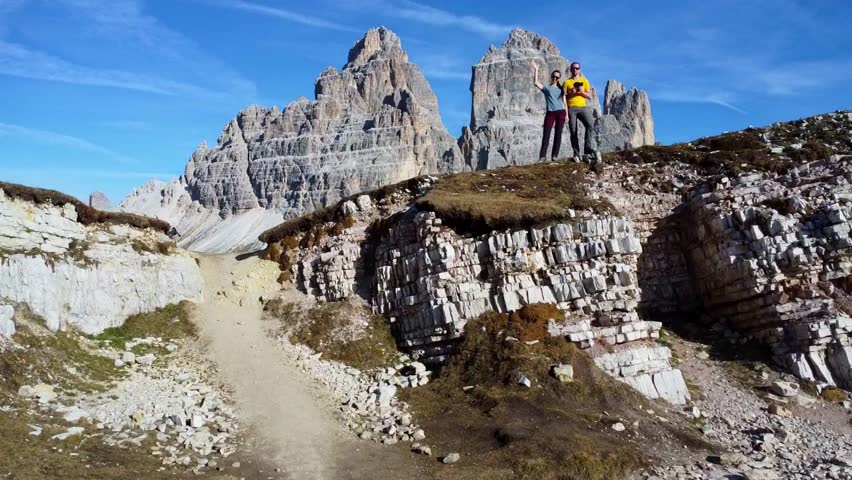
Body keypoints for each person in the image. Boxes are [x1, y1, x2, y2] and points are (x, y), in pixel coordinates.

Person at [565, 62, 602, 163]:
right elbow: (563, 97)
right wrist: (571, 92)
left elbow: (589, 96)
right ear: (570, 70)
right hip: (571, 107)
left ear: (579, 69)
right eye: (573, 68)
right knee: (573, 130)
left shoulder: (584, 81)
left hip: (582, 107)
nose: (575, 70)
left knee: (590, 124)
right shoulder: (567, 82)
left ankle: (587, 148)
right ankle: (576, 153)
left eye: (577, 68)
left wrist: (581, 91)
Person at [532, 61, 567, 162]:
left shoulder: (562, 89)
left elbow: (565, 103)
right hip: (550, 113)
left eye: (557, 77)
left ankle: (554, 156)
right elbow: (536, 83)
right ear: (551, 77)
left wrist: (567, 115)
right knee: (546, 134)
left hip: (561, 112)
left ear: (559, 79)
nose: (555, 79)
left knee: (558, 134)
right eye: (553, 76)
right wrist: (536, 69)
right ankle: (542, 157)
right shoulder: (547, 88)